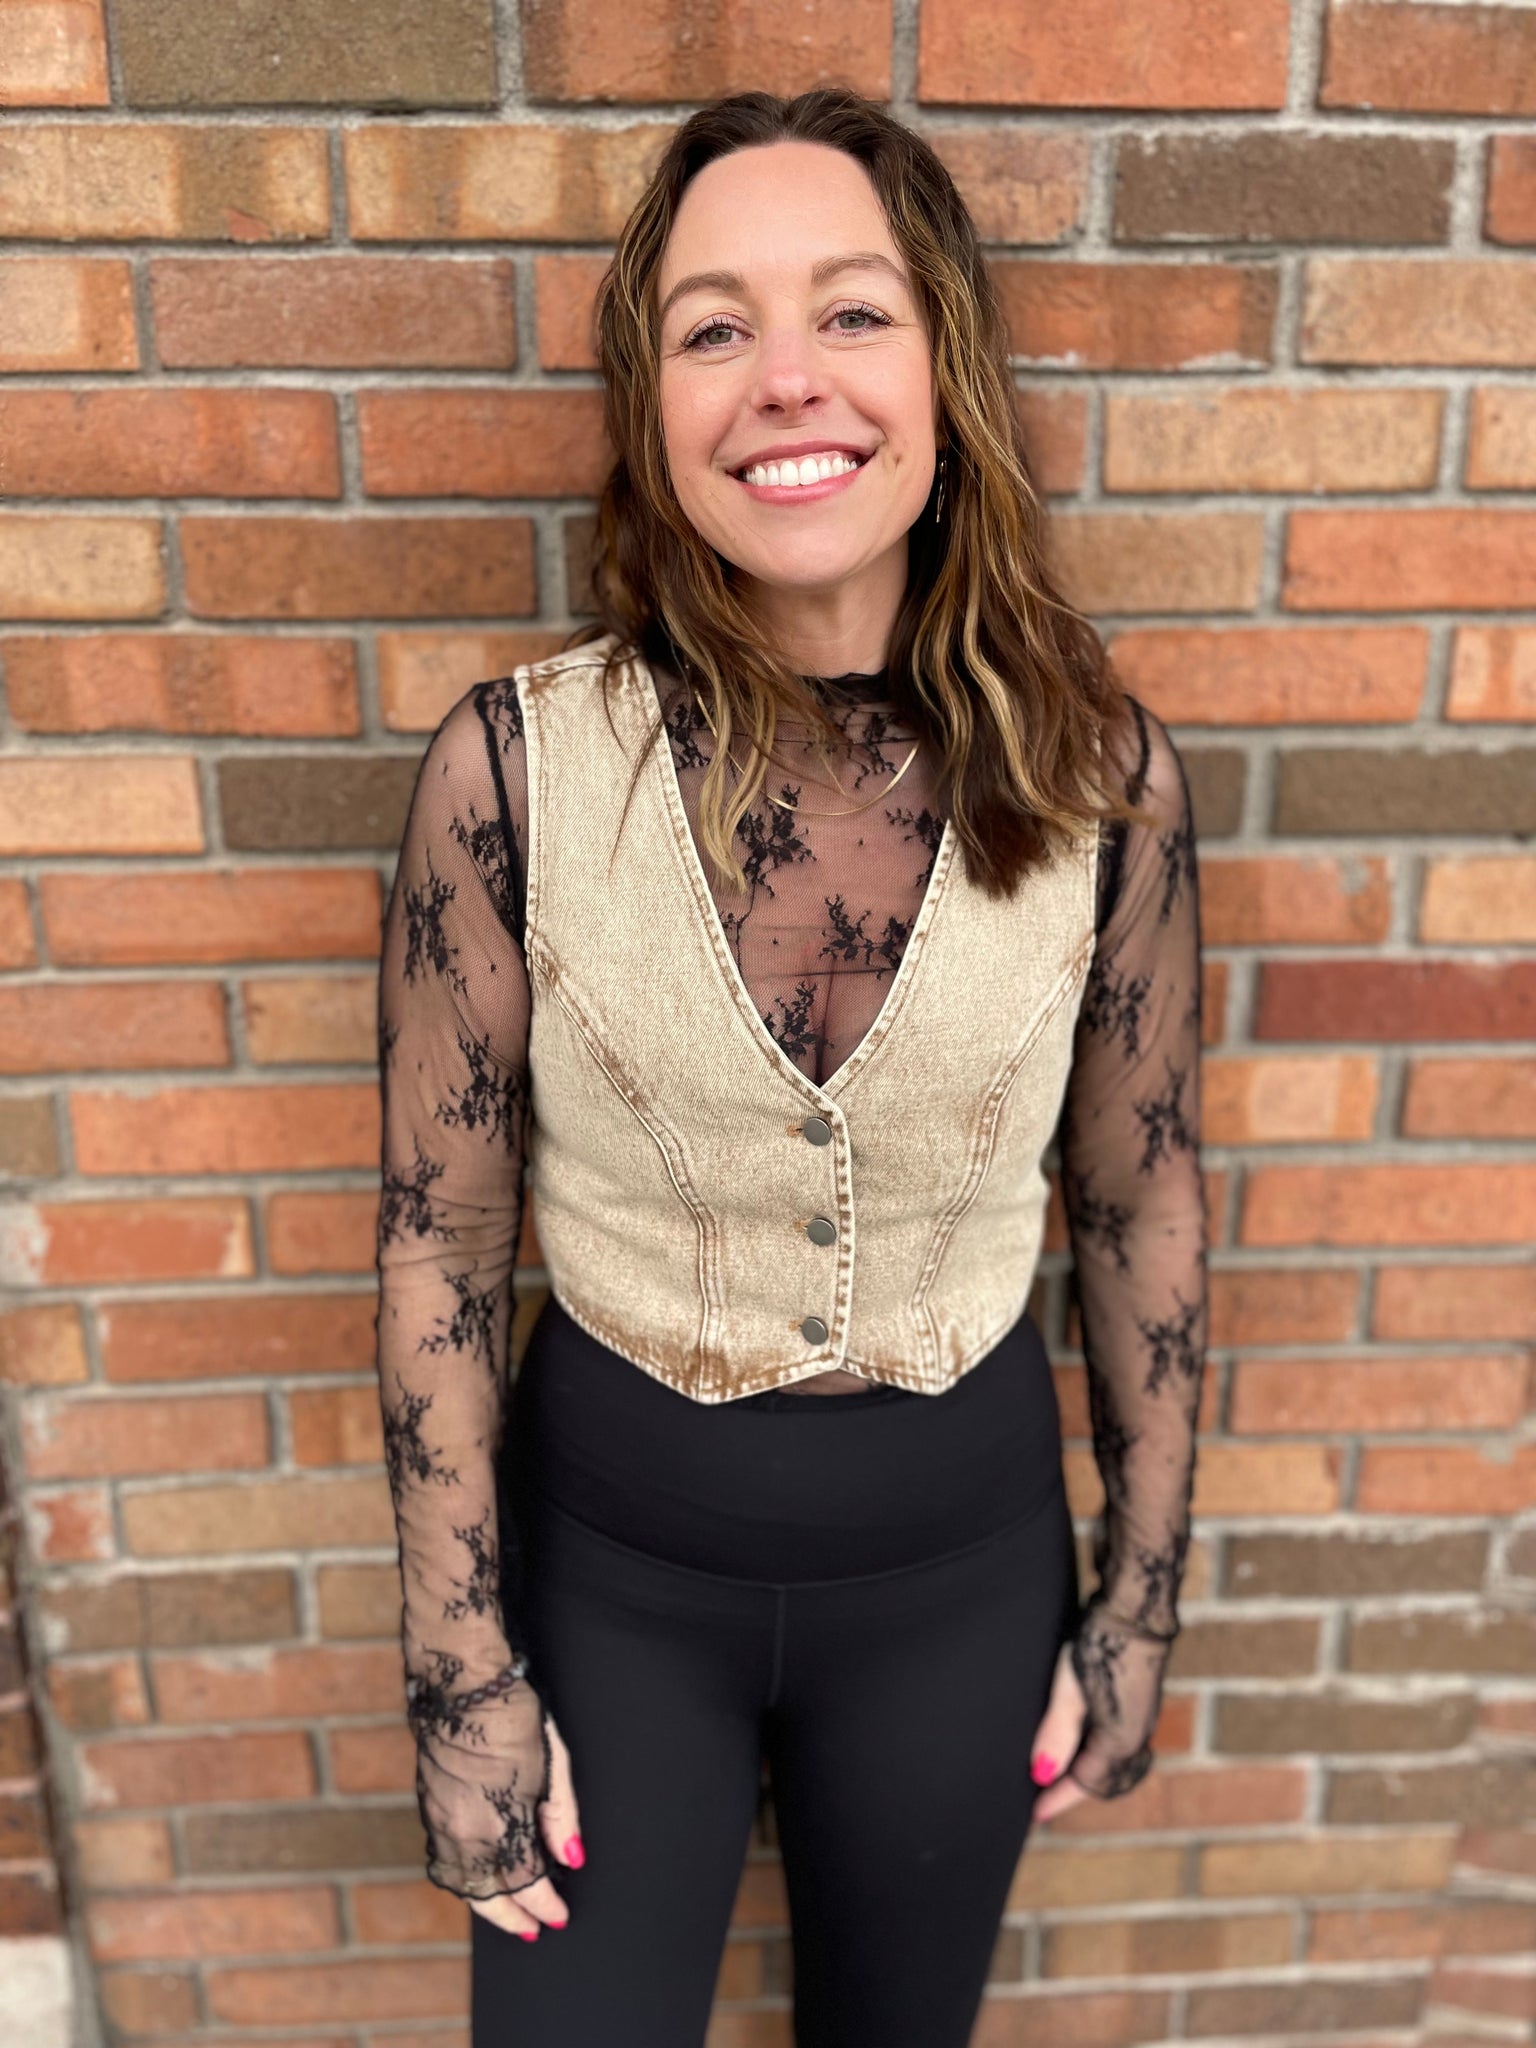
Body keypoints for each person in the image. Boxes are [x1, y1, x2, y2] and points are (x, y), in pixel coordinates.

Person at [374, 85, 1207, 2048]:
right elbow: (439, 1239)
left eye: (851, 311)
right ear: (654, 407)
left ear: (945, 375)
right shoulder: (512, 773)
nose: (786, 379)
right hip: (607, 1579)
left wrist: (1142, 1597)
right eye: (713, 328)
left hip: (958, 1583)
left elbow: (1140, 1194)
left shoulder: (1100, 778)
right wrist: (461, 1675)